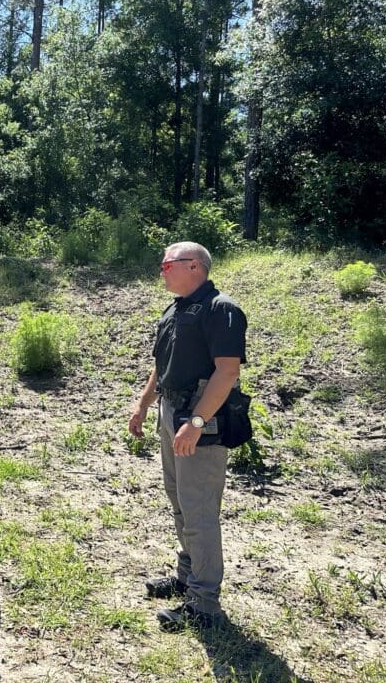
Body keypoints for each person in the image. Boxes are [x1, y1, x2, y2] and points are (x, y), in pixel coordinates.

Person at [128, 242, 247, 632]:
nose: (162, 270)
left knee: (199, 511)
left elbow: (227, 372)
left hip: (199, 421)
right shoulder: (176, 308)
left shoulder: (221, 309)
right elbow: (160, 365)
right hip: (171, 412)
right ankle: (187, 577)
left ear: (195, 266)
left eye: (168, 263)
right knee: (179, 501)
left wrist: (196, 422)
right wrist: (144, 404)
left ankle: (204, 604)